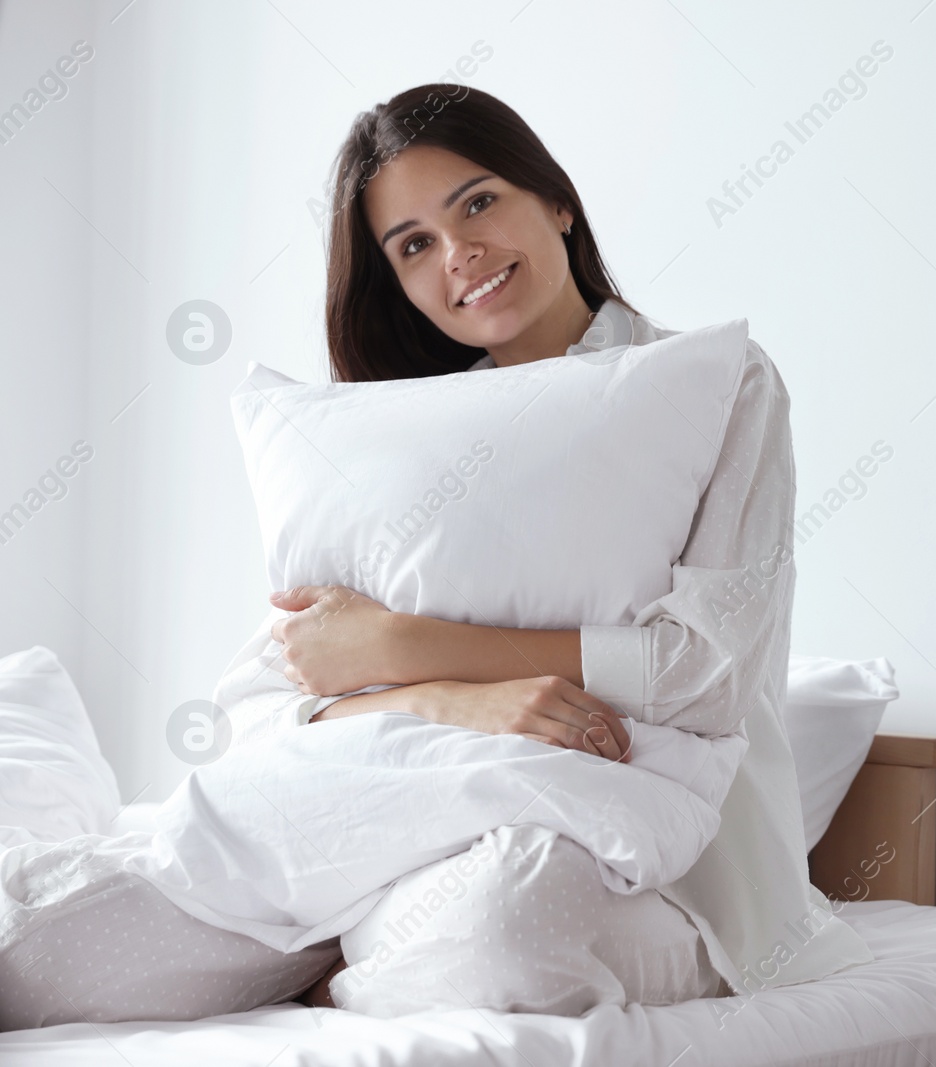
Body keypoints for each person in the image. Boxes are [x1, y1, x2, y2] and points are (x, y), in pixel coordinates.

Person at [227, 83, 872, 1012]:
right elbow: (269, 702)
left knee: (498, 930)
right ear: (398, 282)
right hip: (431, 821)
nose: (461, 255)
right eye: (414, 245)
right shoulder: (404, 445)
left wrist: (400, 644)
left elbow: (702, 675)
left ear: (557, 201)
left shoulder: (716, 386)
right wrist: (449, 696)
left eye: (478, 202)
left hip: (675, 870)